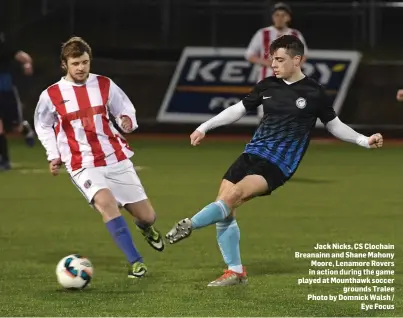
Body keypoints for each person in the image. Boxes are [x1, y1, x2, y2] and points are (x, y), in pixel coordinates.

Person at [166, 35, 383, 287]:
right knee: (225, 208)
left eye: (280, 60)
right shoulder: (267, 85)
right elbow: (238, 109)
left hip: (279, 164)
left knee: (231, 197)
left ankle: (190, 224)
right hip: (251, 154)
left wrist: (363, 140)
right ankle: (235, 272)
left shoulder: (314, 92)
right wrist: (205, 127)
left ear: (297, 60)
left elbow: (334, 125)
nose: (274, 65)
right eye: (272, 59)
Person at [34, 36, 164, 278]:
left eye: (85, 62)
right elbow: (43, 125)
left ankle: (145, 228)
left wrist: (127, 121)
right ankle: (136, 262)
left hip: (115, 157)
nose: (81, 67)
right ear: (65, 64)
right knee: (107, 204)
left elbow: (125, 110)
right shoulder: (51, 95)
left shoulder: (105, 85)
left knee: (148, 216)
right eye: (75, 63)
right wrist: (54, 154)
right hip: (82, 163)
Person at [245, 2, 308, 118]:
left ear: (288, 18)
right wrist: (267, 63)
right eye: (276, 15)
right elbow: (250, 55)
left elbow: (303, 55)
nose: (279, 18)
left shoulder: (295, 34)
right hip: (267, 79)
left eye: (283, 15)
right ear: (272, 17)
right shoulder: (263, 33)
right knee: (266, 114)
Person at [0, 32, 35, 170]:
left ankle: (25, 128)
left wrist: (27, 64)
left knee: (16, 128)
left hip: (6, 92)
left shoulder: (5, 49)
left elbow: (23, 57)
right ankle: (5, 160)